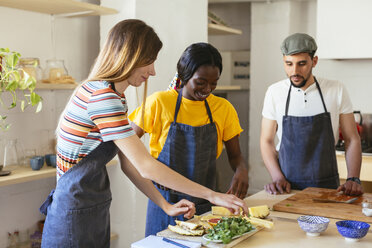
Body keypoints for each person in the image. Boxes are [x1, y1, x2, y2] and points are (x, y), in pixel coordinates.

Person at [39, 20, 247, 247]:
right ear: (130, 56)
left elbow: (129, 163)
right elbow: (145, 165)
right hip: (73, 214)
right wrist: (212, 195)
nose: (153, 71)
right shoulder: (103, 98)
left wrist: (165, 205)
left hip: (91, 208)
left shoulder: (112, 96)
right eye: (149, 61)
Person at [129, 42, 249, 236]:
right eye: (201, 82)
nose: (208, 89)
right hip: (166, 204)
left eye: (214, 83)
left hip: (206, 204)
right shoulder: (159, 103)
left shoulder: (223, 108)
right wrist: (151, 170)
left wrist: (242, 170)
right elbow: (128, 148)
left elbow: (236, 156)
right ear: (184, 76)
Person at [260, 33, 363, 196]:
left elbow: (352, 138)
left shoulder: (336, 89)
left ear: (314, 62)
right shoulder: (274, 92)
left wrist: (353, 178)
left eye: (302, 64)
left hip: (328, 187)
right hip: (286, 187)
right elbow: (266, 141)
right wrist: (277, 176)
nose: (294, 71)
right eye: (289, 64)